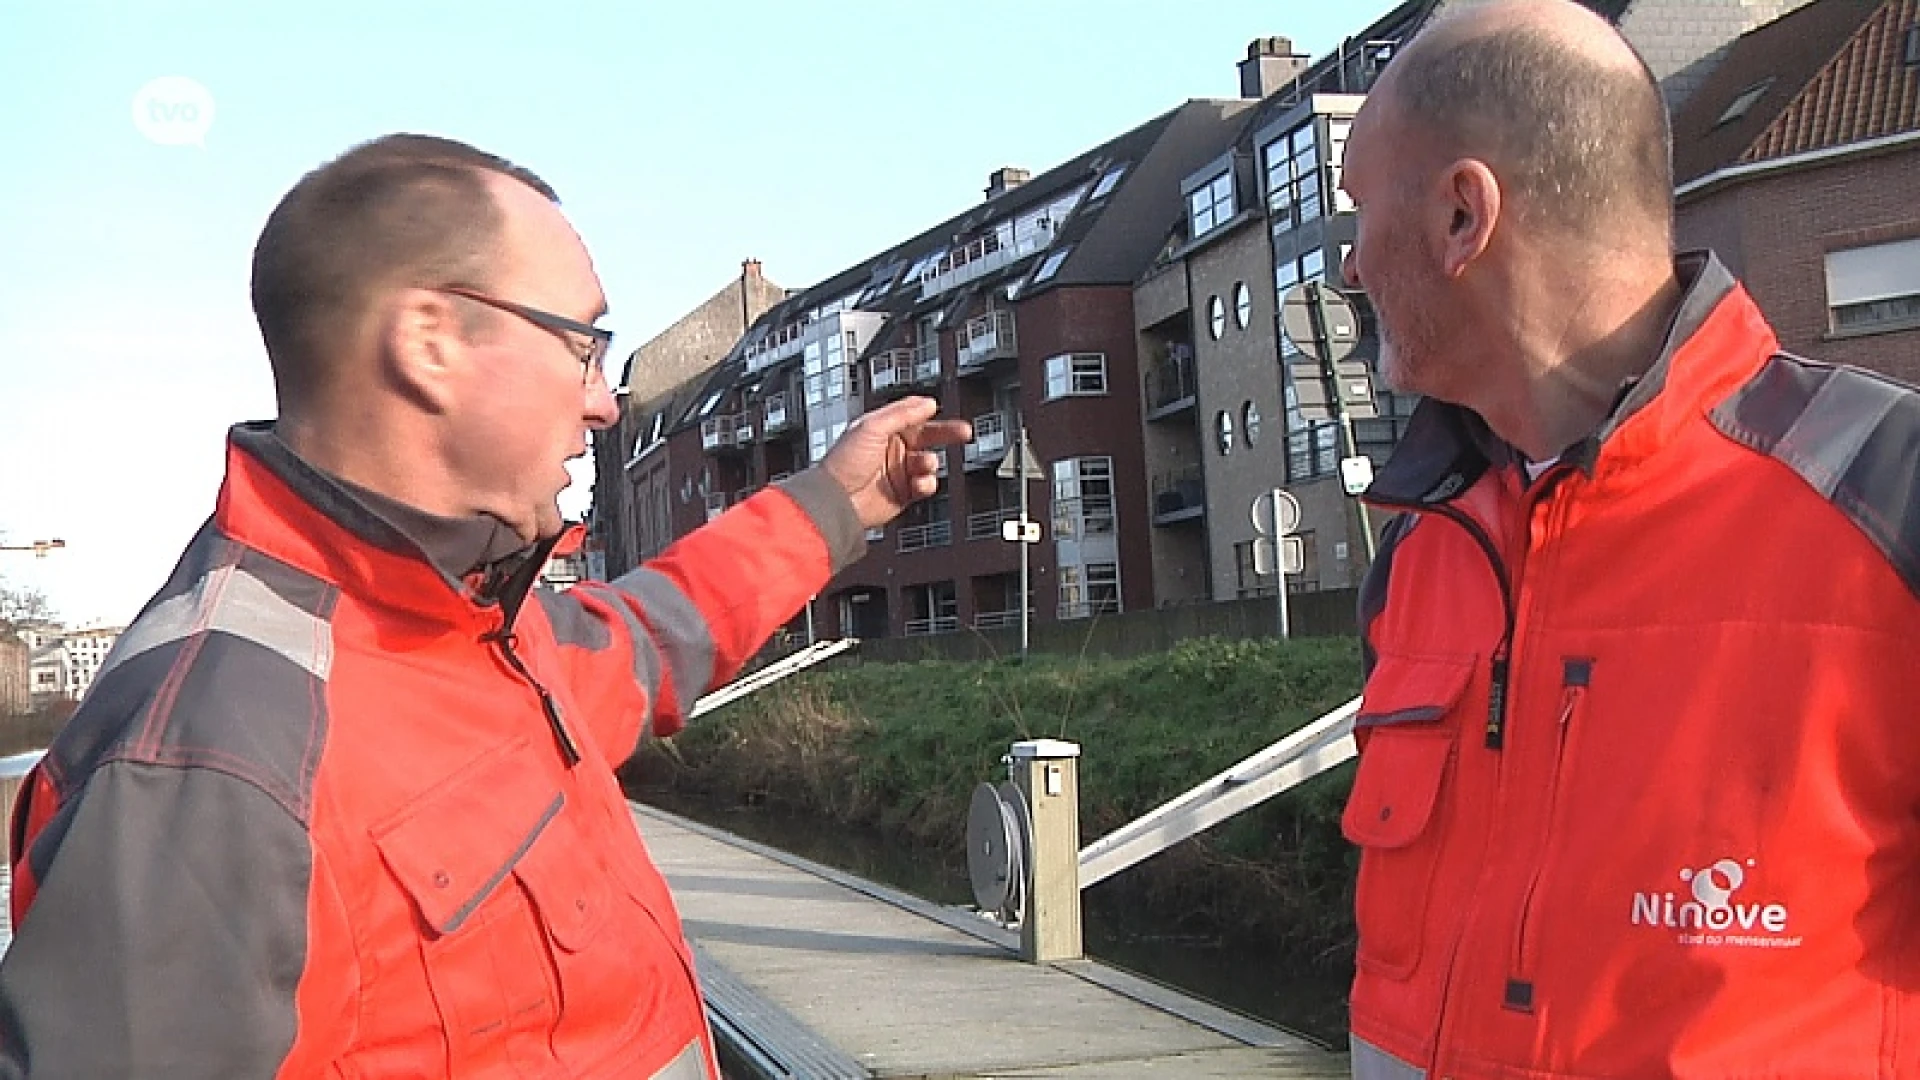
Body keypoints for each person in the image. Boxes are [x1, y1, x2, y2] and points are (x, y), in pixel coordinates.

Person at [0, 134, 969, 1078]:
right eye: (583, 346)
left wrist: (842, 502)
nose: (605, 403)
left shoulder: (477, 627)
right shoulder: (206, 770)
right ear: (430, 343)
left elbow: (650, 638)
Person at [1341, 1, 1920, 1077]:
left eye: (1360, 211)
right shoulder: (1422, 551)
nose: (1349, 269)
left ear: (1464, 218)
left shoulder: (1889, 497)